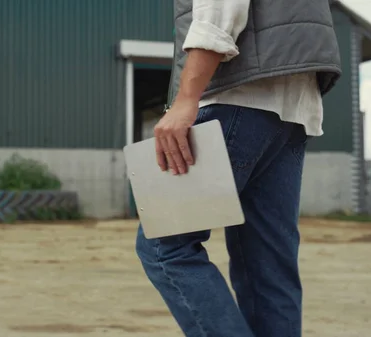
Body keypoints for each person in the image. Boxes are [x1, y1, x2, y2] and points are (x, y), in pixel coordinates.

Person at [135, 0, 341, 336]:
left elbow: (219, 8)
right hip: (294, 112)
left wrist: (186, 99)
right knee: (268, 269)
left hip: (235, 99)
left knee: (164, 246)